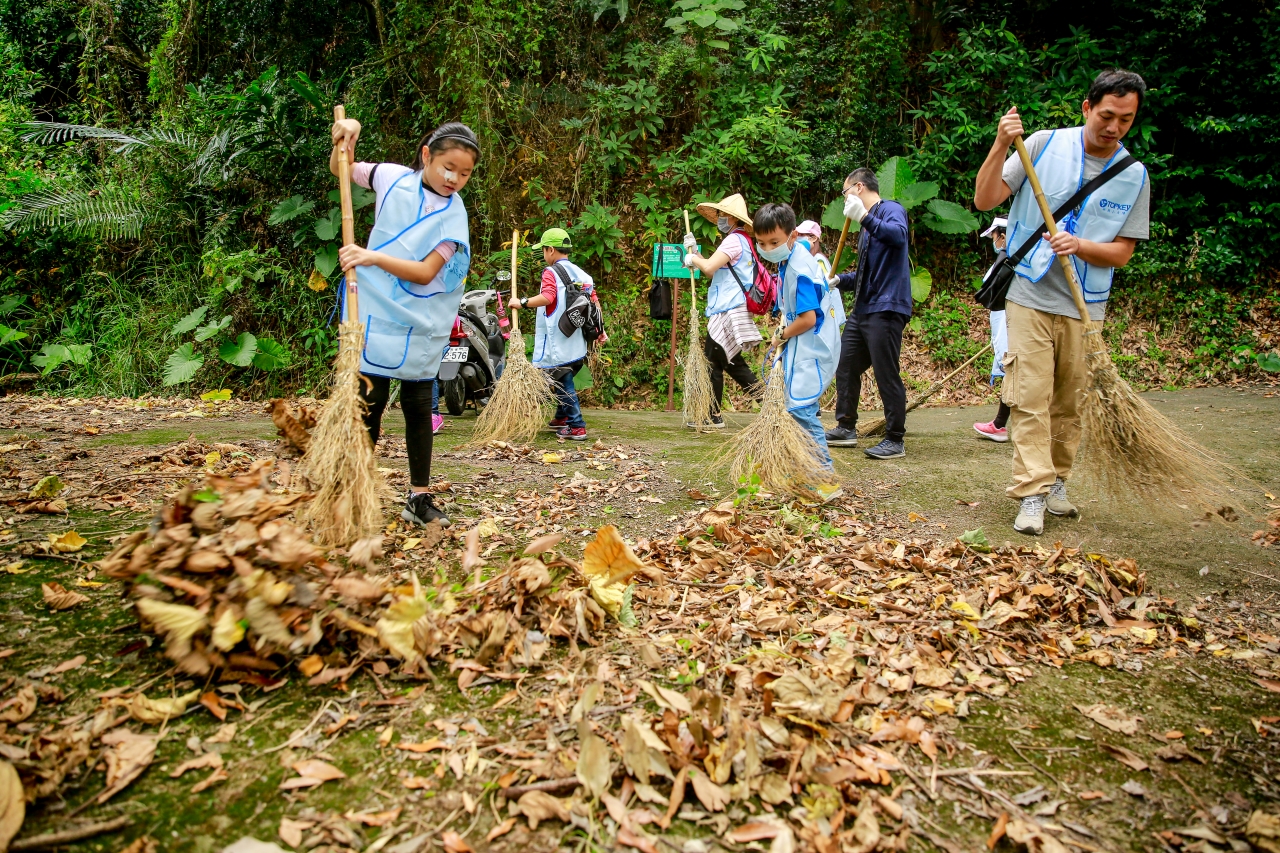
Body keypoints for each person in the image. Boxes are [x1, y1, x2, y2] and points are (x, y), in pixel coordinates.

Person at [974, 68, 1150, 535]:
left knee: (1068, 402)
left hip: (1084, 303)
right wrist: (1000, 144)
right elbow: (985, 198)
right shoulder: (1045, 144)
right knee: (1029, 395)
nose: (1114, 127)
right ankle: (1031, 490)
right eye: (1107, 115)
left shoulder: (1133, 175)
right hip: (1029, 291)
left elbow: (1124, 253)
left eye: (1126, 120)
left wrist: (1082, 245)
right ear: (1087, 108)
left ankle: (1056, 480)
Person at [331, 119, 479, 528]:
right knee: (371, 401)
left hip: (423, 318)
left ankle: (418, 498)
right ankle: (355, 490)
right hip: (376, 310)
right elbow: (344, 169)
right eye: (448, 167)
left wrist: (370, 256)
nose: (455, 179)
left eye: (465, 174)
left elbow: (425, 271)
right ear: (427, 155)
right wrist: (346, 138)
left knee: (417, 404)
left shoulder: (454, 217)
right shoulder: (392, 179)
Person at [753, 202, 843, 501]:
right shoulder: (790, 260)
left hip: (811, 349)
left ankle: (825, 479)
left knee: (802, 411)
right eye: (762, 243)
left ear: (792, 236)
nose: (767, 248)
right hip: (801, 346)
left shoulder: (801, 269)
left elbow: (808, 318)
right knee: (795, 412)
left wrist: (780, 335)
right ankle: (801, 474)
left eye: (774, 242)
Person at [823, 168, 912, 459]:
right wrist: (840, 281)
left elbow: (898, 237)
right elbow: (866, 273)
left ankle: (894, 438)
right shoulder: (866, 227)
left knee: (886, 372)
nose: (844, 199)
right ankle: (846, 426)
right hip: (863, 309)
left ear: (859, 187)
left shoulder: (890, 211)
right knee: (846, 364)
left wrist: (863, 216)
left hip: (886, 308)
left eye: (845, 192)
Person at [681, 193, 762, 427]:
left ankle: (711, 416)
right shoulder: (742, 240)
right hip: (732, 307)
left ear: (732, 217)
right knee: (730, 361)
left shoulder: (733, 241)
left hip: (728, 309)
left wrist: (692, 258)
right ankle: (766, 401)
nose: (719, 218)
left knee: (713, 362)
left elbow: (706, 267)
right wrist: (694, 252)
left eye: (722, 214)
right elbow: (713, 269)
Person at [513, 227, 599, 441]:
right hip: (576, 334)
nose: (544, 254)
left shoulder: (550, 272)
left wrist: (522, 302)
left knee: (561, 378)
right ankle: (562, 416)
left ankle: (576, 425)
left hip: (557, 336)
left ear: (551, 250)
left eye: (543, 250)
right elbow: (594, 301)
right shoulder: (582, 274)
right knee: (562, 374)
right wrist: (600, 330)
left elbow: (548, 297)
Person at [973, 217, 1011, 442]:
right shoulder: (1007, 259)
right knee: (1012, 373)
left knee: (1013, 373)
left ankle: (999, 424)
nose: (993, 241)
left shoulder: (1009, 260)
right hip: (1005, 324)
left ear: (1003, 236)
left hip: (1010, 324)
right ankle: (999, 424)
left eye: (994, 237)